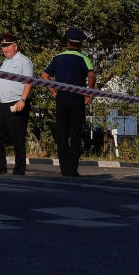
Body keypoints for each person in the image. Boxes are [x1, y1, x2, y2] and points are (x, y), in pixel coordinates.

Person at [41, 26, 95, 178]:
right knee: (76, 134)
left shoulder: (57, 58)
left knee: (62, 134)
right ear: (80, 44)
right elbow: (91, 75)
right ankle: (73, 169)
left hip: (61, 99)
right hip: (77, 99)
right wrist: (89, 93)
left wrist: (53, 91)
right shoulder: (83, 58)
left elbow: (44, 75)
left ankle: (64, 170)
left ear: (67, 42)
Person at [0, 33, 33, 175]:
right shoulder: (5, 63)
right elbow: (0, 85)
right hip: (2, 104)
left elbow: (28, 82)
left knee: (17, 138)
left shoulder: (24, 61)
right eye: (3, 47)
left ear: (15, 46)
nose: (5, 49)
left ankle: (19, 170)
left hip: (16, 103)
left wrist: (23, 100)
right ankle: (0, 167)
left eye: (7, 46)